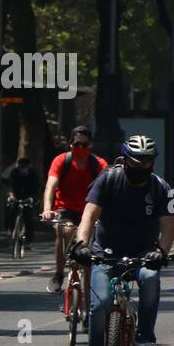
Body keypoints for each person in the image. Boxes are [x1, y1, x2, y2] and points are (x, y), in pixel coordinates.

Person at [72, 135, 174, 346]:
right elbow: (89, 215)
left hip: (144, 252)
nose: (142, 167)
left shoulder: (161, 187)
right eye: (136, 162)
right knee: (101, 304)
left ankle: (145, 339)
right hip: (105, 252)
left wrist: (161, 252)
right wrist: (81, 244)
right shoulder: (107, 180)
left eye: (147, 163)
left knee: (151, 278)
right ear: (125, 159)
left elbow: (169, 226)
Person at [42, 125, 107, 296]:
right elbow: (51, 185)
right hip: (65, 209)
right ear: (70, 144)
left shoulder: (98, 164)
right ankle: (58, 273)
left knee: (87, 252)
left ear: (90, 145)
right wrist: (47, 209)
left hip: (90, 210)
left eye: (84, 145)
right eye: (76, 144)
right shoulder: (62, 161)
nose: (80, 148)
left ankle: (89, 305)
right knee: (66, 229)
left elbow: (108, 189)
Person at [0, 154, 39, 243]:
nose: (23, 169)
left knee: (28, 217)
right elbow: (10, 185)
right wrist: (11, 195)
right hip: (16, 195)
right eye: (21, 167)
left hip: (29, 196)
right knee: (11, 211)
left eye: (25, 167)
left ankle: (29, 240)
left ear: (29, 166)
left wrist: (32, 198)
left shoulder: (33, 174)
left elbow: (36, 187)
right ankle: (10, 229)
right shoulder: (14, 172)